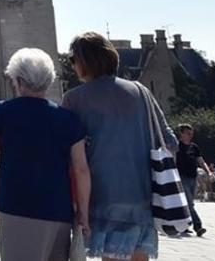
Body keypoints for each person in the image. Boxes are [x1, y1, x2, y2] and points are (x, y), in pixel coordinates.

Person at [63, 32, 176, 261]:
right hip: (143, 198)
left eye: (72, 60)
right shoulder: (142, 92)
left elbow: (67, 156)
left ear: (84, 61)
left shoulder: (75, 99)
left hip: (103, 199)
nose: (72, 66)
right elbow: (170, 143)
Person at [0, 47, 89, 261]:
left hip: (15, 204)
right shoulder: (69, 119)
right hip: (58, 208)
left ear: (18, 81)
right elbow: (81, 168)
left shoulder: (1, 112)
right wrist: (83, 213)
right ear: (49, 81)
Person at [175, 123, 209, 236]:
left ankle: (183, 225)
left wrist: (208, 171)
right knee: (189, 203)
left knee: (188, 203)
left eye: (192, 134)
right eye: (188, 133)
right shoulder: (176, 146)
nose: (190, 135)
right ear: (182, 133)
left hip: (193, 177)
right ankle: (198, 226)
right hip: (181, 178)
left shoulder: (194, 147)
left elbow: (200, 160)